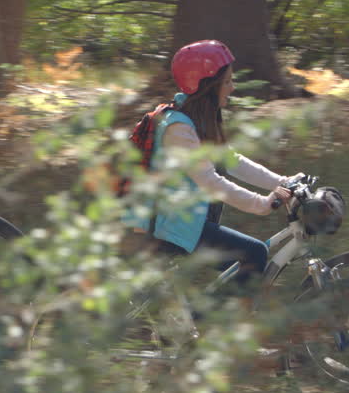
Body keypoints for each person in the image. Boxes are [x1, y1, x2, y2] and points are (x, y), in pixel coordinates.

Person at [124, 39, 296, 293]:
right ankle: (216, 327)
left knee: (242, 262)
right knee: (254, 254)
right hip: (167, 227)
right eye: (227, 82)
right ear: (208, 85)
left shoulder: (196, 120)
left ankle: (209, 322)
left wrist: (282, 182)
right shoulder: (178, 128)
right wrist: (262, 204)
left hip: (185, 222)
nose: (232, 87)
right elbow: (210, 181)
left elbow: (233, 162)